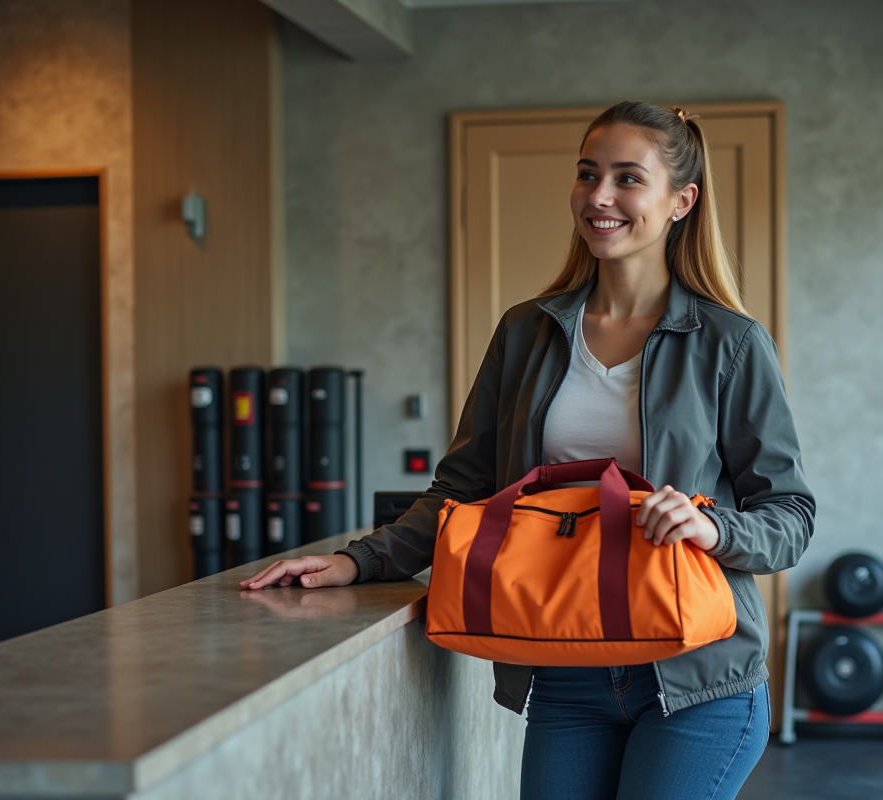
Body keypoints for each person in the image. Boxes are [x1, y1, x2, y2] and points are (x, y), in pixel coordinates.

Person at [242, 100, 814, 799]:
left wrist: (712, 524)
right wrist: (356, 560)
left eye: (628, 178)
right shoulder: (526, 333)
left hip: (700, 679)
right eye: (587, 173)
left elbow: (790, 515)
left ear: (680, 201)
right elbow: (463, 488)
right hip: (565, 673)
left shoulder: (729, 344)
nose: (599, 197)